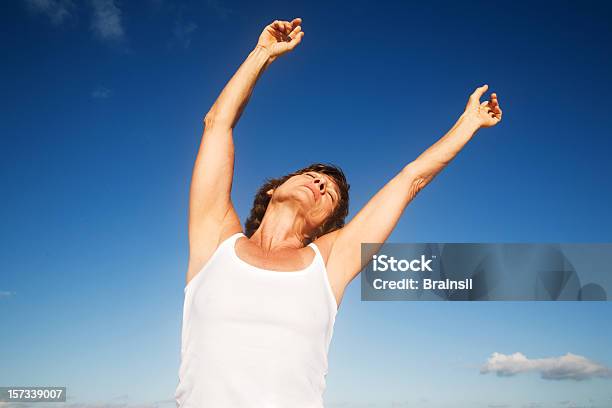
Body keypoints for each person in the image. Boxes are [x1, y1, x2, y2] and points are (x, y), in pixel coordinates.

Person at [175, 17, 502, 408]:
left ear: (327, 226)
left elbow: (409, 181)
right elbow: (217, 125)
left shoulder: (328, 262)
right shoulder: (215, 240)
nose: (320, 183)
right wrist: (262, 54)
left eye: (329, 191)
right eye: (310, 176)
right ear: (272, 189)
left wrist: (468, 124)